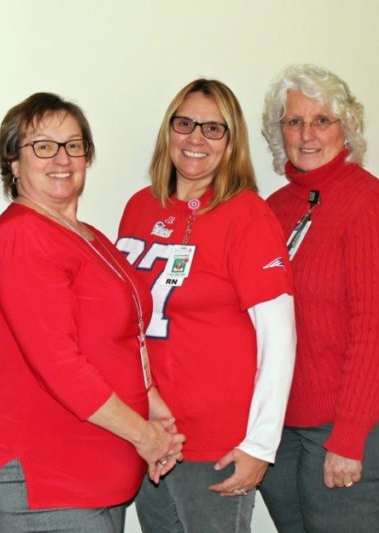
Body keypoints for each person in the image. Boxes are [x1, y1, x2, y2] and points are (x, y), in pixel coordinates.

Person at [0, 92, 184, 533]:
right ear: (14, 164)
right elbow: (61, 366)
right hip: (37, 473)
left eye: (73, 145)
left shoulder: (86, 234)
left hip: (88, 469)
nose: (61, 158)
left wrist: (152, 405)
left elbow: (121, 335)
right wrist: (143, 436)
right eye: (42, 146)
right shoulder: (23, 239)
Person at [257, 64, 379, 532]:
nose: (307, 134)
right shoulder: (274, 208)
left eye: (322, 120)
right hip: (291, 424)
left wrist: (349, 437)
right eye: (294, 122)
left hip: (364, 424)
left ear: (346, 128)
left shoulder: (370, 205)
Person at [116, 79, 296, 532]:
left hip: (215, 445)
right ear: (169, 131)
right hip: (149, 435)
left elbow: (280, 338)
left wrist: (260, 445)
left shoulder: (247, 216)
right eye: (185, 124)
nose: (195, 139)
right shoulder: (139, 207)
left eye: (213, 129)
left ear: (231, 142)